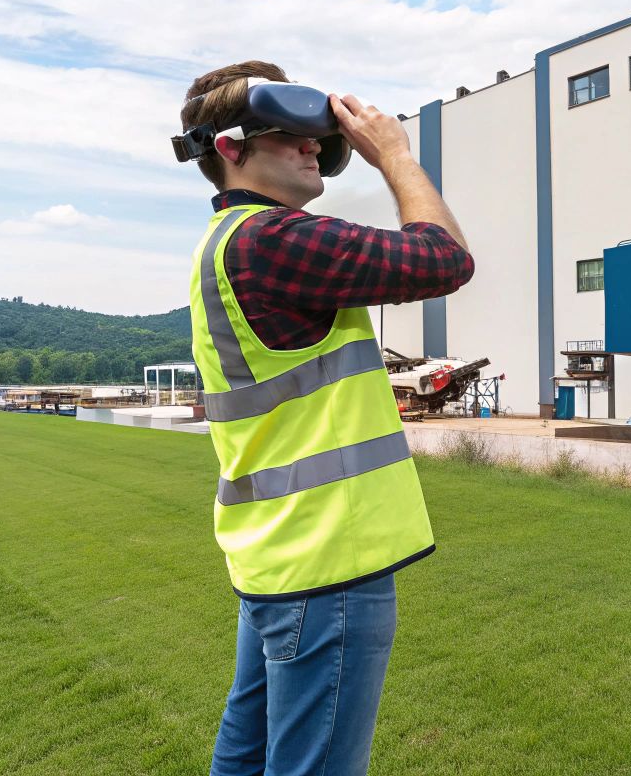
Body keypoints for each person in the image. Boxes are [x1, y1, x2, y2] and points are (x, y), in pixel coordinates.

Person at [177, 61, 475, 776]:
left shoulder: (224, 244)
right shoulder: (272, 240)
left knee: (248, 753)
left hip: (277, 554)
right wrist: (395, 156)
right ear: (231, 148)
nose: (313, 146)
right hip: (329, 559)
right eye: (289, 134)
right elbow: (445, 259)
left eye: (316, 135)